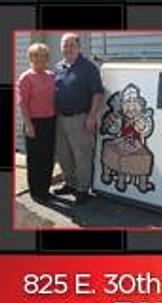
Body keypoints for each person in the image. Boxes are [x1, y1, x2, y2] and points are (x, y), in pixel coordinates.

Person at [53, 32, 104, 204]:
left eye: (71, 44)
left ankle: (83, 189)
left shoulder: (88, 67)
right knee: (64, 154)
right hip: (60, 119)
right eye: (64, 45)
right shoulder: (58, 67)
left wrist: (92, 117)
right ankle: (70, 183)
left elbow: (98, 94)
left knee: (82, 155)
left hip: (80, 118)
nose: (67, 48)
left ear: (78, 47)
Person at [17, 43, 56, 203]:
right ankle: (36, 192)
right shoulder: (26, 77)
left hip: (50, 121)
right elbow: (22, 103)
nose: (40, 59)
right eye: (36, 55)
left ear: (47, 58)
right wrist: (28, 125)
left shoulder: (52, 75)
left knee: (48, 157)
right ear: (31, 57)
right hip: (34, 122)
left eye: (43, 55)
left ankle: (45, 189)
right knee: (35, 159)